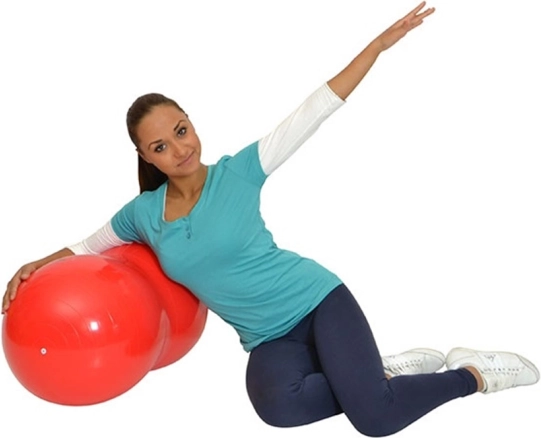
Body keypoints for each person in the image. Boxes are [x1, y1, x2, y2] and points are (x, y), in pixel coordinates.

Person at [2, 2, 538, 436]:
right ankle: (376, 372)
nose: (179, 149)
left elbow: (315, 108)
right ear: (146, 156)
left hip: (318, 302)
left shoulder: (239, 172)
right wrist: (34, 266)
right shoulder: (143, 213)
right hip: (267, 339)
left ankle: (473, 375)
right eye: (160, 146)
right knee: (279, 408)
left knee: (375, 418)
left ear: (192, 124)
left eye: (181, 131)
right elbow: (86, 247)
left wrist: (377, 45)